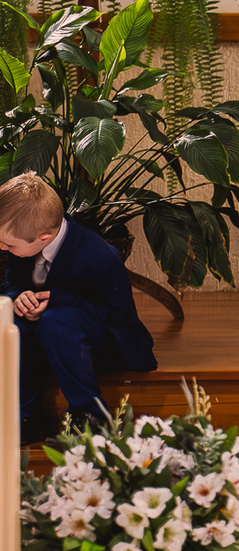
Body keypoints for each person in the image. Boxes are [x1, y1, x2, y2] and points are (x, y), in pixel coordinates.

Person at [0, 172, 156, 442]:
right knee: (12, 323)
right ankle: (25, 415)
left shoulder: (99, 256)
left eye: (7, 244)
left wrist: (57, 300)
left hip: (97, 338)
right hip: (48, 336)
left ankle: (90, 415)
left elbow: (119, 315)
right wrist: (18, 296)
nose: (2, 247)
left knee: (56, 321)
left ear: (44, 237)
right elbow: (10, 284)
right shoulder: (22, 244)